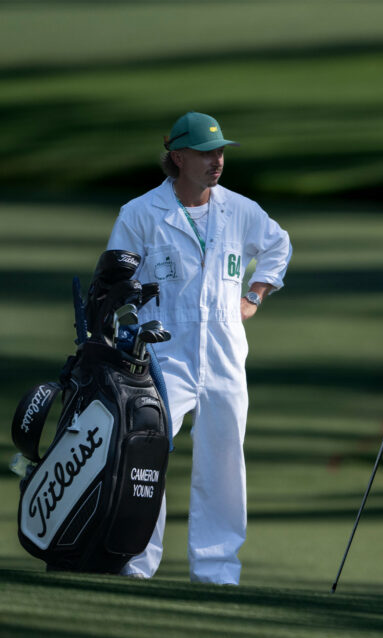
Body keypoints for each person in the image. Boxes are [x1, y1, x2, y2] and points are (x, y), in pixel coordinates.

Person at [107, 111, 292, 584]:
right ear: (178, 156)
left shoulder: (241, 210)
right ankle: (135, 560)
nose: (217, 161)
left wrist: (255, 295)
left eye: (221, 151)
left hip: (227, 351)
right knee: (146, 454)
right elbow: (115, 278)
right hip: (164, 351)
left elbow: (277, 246)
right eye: (207, 152)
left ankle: (217, 571)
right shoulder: (140, 213)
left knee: (226, 457)